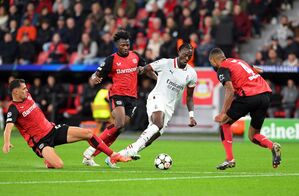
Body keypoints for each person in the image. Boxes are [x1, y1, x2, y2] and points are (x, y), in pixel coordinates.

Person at [2, 79, 131, 169]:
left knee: (88, 133)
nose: (26, 90)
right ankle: (49, 160)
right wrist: (7, 142)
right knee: (59, 165)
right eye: (23, 89)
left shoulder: (28, 96)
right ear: (15, 92)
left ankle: (113, 155)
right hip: (41, 142)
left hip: (52, 130)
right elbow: (8, 128)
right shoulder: (14, 108)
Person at [114, 43, 198, 168]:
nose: (187, 57)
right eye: (186, 54)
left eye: (190, 56)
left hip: (169, 107)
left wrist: (191, 115)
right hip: (157, 97)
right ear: (179, 51)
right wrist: (145, 72)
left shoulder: (191, 74)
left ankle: (117, 156)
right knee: (157, 124)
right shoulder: (166, 63)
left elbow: (190, 97)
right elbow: (146, 69)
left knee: (153, 136)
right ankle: (133, 149)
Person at [81, 30, 155, 166]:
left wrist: (158, 79)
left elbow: (146, 69)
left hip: (132, 97)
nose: (126, 47)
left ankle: (91, 154)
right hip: (117, 95)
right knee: (119, 123)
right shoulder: (111, 59)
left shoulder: (136, 56)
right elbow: (96, 74)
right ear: (117, 46)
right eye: (123, 45)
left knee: (119, 128)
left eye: (127, 45)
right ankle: (91, 149)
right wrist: (94, 78)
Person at [208, 48, 281, 170]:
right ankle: (272, 146)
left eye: (211, 63)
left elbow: (230, 90)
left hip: (249, 96)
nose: (213, 66)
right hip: (265, 95)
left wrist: (223, 112)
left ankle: (230, 159)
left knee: (224, 123)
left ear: (214, 60)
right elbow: (257, 70)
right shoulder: (238, 61)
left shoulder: (222, 68)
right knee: (253, 135)